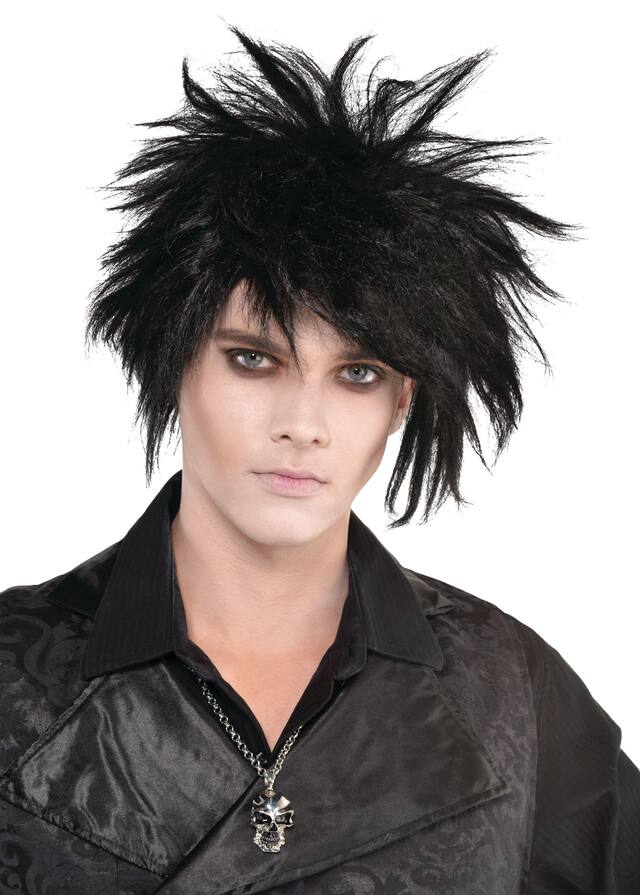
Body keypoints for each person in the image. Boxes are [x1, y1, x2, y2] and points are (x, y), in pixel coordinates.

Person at [1, 24, 638, 894]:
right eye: (253, 359)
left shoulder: (507, 686)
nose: (303, 424)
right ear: (174, 360)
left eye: (358, 373)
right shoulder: (13, 675)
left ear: (402, 398)